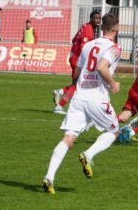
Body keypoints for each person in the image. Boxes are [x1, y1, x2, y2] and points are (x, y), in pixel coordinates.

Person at [42, 13, 122, 195]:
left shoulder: (87, 45)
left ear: (101, 27)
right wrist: (112, 83)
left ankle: (49, 176)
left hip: (79, 97)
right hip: (97, 97)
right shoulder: (114, 48)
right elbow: (102, 66)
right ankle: (88, 155)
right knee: (114, 131)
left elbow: (77, 72)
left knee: (69, 139)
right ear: (116, 30)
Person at [53, 10, 102, 114]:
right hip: (78, 60)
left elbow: (74, 39)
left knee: (76, 84)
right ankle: (59, 105)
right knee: (77, 85)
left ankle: (60, 92)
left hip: (74, 57)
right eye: (96, 18)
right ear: (91, 18)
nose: (98, 20)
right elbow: (83, 48)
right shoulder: (88, 32)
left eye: (99, 18)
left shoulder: (85, 26)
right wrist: (85, 62)